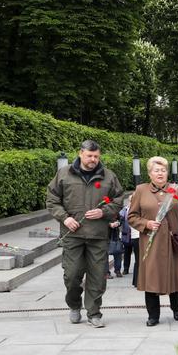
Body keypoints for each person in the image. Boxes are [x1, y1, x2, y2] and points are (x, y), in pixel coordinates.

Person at [46, 139, 124, 328]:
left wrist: (103, 212)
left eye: (96, 156)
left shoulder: (108, 176)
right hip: (72, 234)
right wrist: (65, 218)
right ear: (81, 153)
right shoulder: (64, 174)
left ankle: (93, 313)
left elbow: (119, 199)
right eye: (89, 156)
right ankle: (74, 305)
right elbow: (52, 200)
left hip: (98, 235)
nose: (93, 160)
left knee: (97, 276)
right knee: (72, 276)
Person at [127, 157, 178, 326]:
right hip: (151, 243)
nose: (160, 173)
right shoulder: (141, 190)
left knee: (175, 277)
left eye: (163, 170)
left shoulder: (176, 190)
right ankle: (153, 315)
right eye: (156, 170)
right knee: (151, 279)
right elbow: (131, 216)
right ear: (150, 173)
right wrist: (146, 223)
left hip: (173, 242)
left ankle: (176, 308)